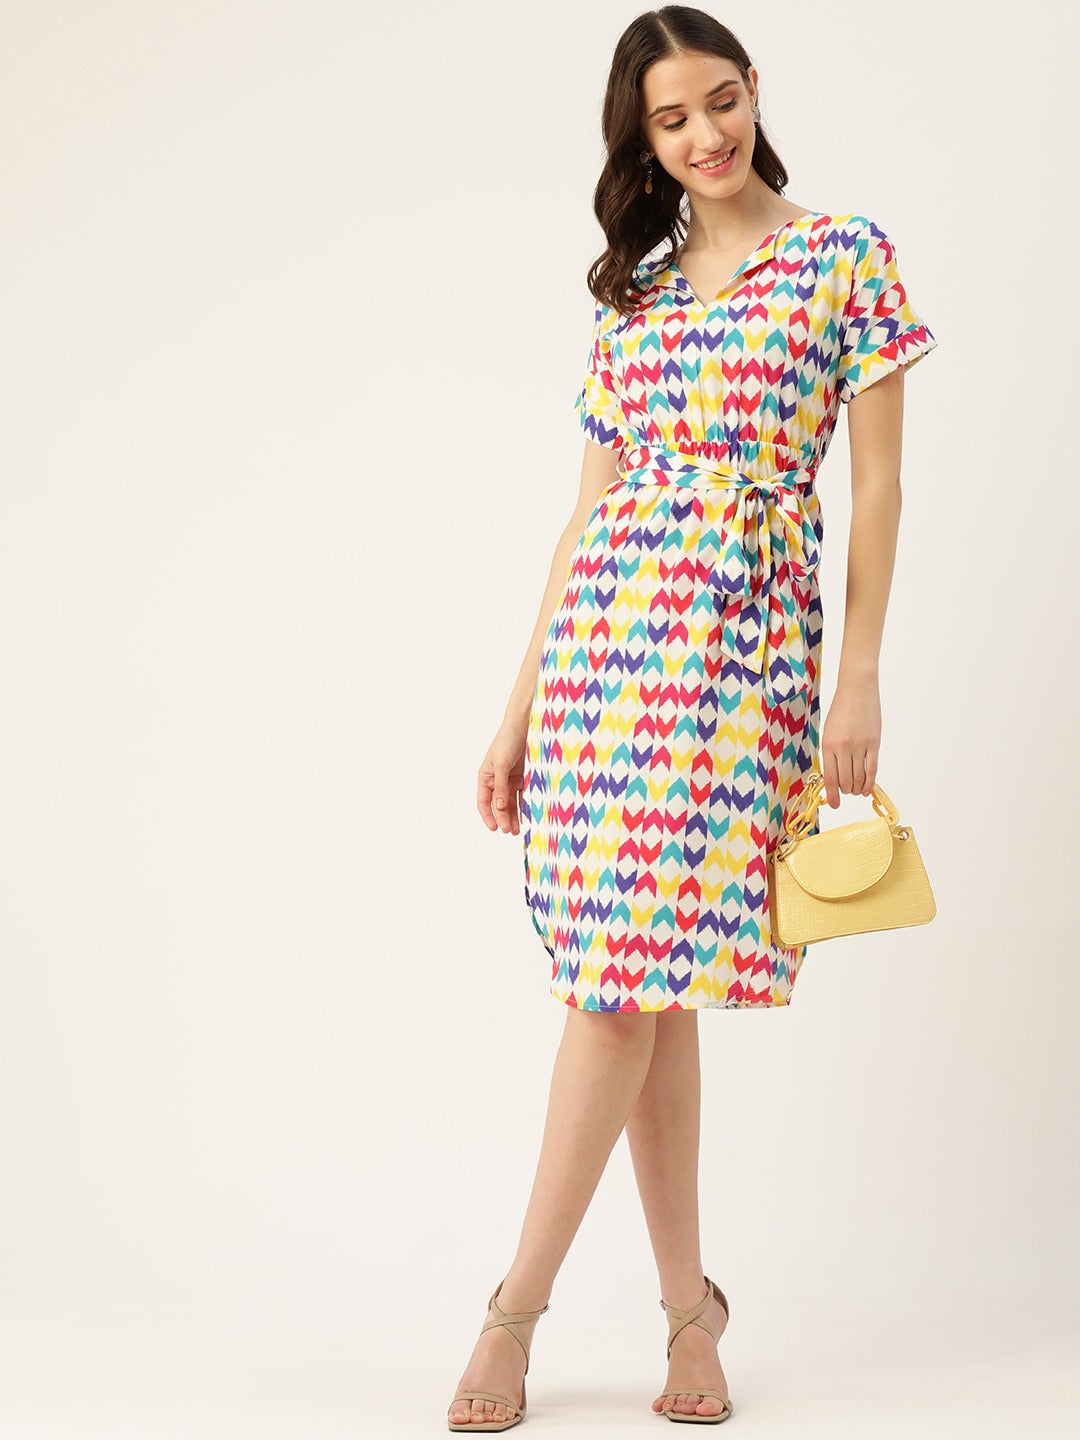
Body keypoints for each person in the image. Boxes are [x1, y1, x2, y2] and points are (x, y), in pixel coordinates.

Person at [452, 5, 938, 1431]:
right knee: (626, 989)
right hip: (606, 662)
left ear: (753, 91)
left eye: (719, 102)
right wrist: (518, 708)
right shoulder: (640, 293)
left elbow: (877, 487)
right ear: (644, 140)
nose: (704, 136)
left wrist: (860, 677)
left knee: (638, 986)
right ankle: (671, 1314)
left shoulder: (843, 256)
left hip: (742, 660)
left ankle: (525, 1312)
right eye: (671, 120)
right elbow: (586, 516)